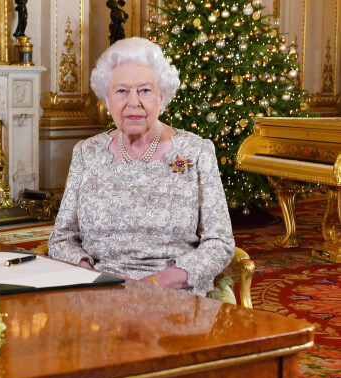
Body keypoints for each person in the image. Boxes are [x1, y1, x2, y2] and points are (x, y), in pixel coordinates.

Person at [48, 37, 234, 296]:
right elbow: (62, 238)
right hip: (99, 292)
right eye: (122, 91)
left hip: (174, 295)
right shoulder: (86, 153)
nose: (133, 102)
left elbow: (220, 243)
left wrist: (157, 283)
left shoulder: (197, 151)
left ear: (161, 96)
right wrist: (88, 275)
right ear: (107, 98)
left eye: (144, 91)